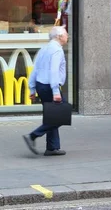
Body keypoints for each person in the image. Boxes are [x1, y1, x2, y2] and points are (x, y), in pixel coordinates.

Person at [22, 26, 69, 156]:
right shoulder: (57, 51)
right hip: (50, 86)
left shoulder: (44, 48)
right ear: (59, 36)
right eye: (66, 34)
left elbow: (35, 68)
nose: (67, 36)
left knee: (52, 115)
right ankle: (33, 136)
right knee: (61, 115)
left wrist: (32, 89)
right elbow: (54, 71)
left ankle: (52, 147)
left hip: (41, 85)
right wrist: (56, 92)